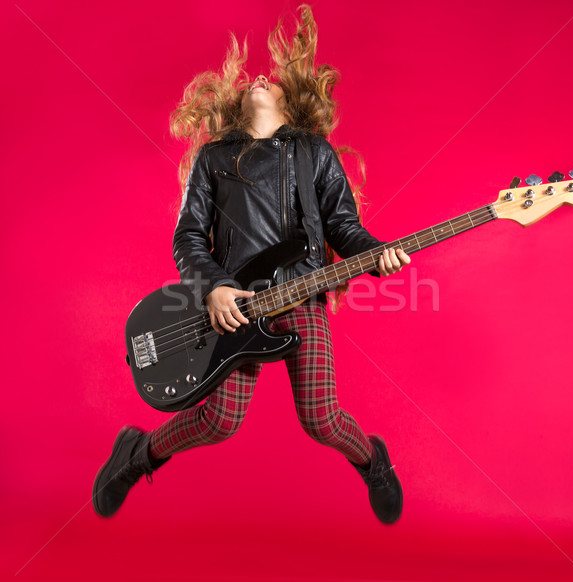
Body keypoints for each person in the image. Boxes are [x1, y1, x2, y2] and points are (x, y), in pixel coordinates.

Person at [92, 5, 410, 524]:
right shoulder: (214, 158)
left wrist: (377, 255)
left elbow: (343, 226)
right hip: (235, 309)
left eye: (275, 80)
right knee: (219, 421)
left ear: (294, 103)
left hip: (303, 296)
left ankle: (374, 461)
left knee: (322, 419)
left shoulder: (315, 152)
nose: (261, 76)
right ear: (236, 104)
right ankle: (136, 453)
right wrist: (215, 287)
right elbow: (189, 236)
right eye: (253, 78)